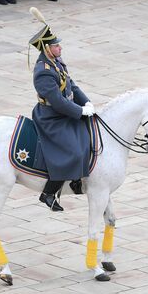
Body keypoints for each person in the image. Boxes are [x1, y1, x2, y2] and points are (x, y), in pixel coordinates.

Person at [30, 13, 95, 211]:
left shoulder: (56, 62)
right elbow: (57, 102)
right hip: (50, 117)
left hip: (63, 112)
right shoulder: (43, 71)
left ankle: (76, 178)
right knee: (73, 150)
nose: (60, 47)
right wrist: (80, 111)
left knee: (87, 136)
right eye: (56, 45)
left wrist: (87, 102)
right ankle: (49, 192)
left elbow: (71, 85)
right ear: (47, 49)